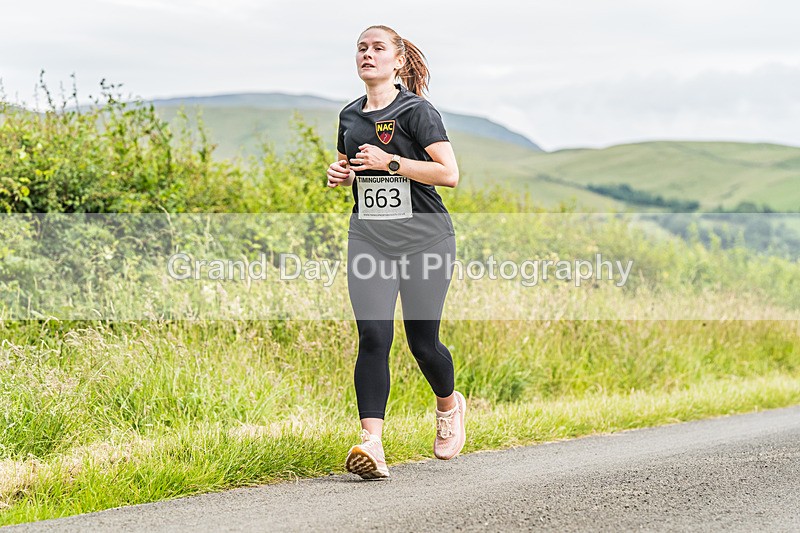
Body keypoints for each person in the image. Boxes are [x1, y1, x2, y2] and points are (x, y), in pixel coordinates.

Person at [326, 24, 466, 479]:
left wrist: (390, 162)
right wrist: (345, 175)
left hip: (426, 239)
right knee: (373, 336)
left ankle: (449, 407)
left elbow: (448, 174)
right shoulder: (350, 116)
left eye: (377, 48)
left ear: (398, 61)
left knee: (422, 343)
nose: (368, 54)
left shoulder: (417, 111)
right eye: (361, 48)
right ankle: (372, 445)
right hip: (370, 239)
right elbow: (360, 172)